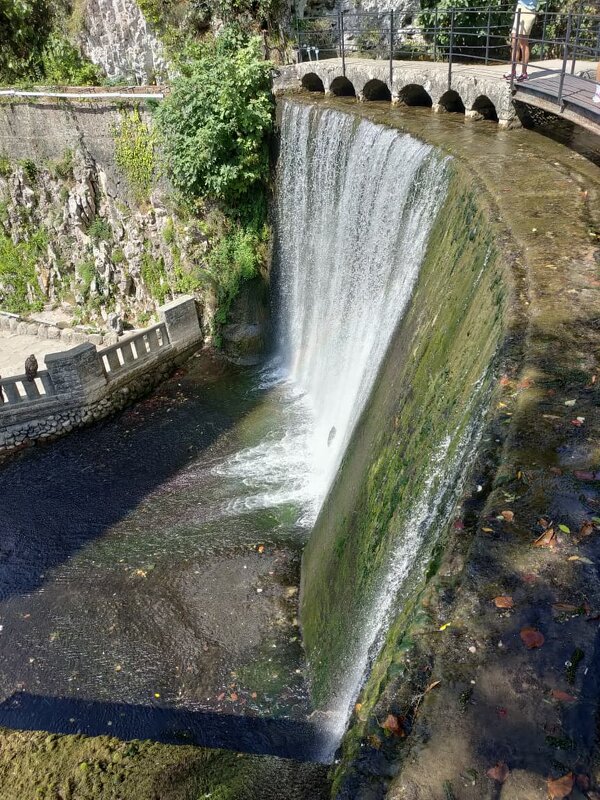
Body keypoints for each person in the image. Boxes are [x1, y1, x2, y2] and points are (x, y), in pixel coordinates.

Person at [505, 0, 538, 83]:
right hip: (520, 8)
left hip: (527, 10)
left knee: (523, 43)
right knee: (514, 42)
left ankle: (524, 73)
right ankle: (513, 71)